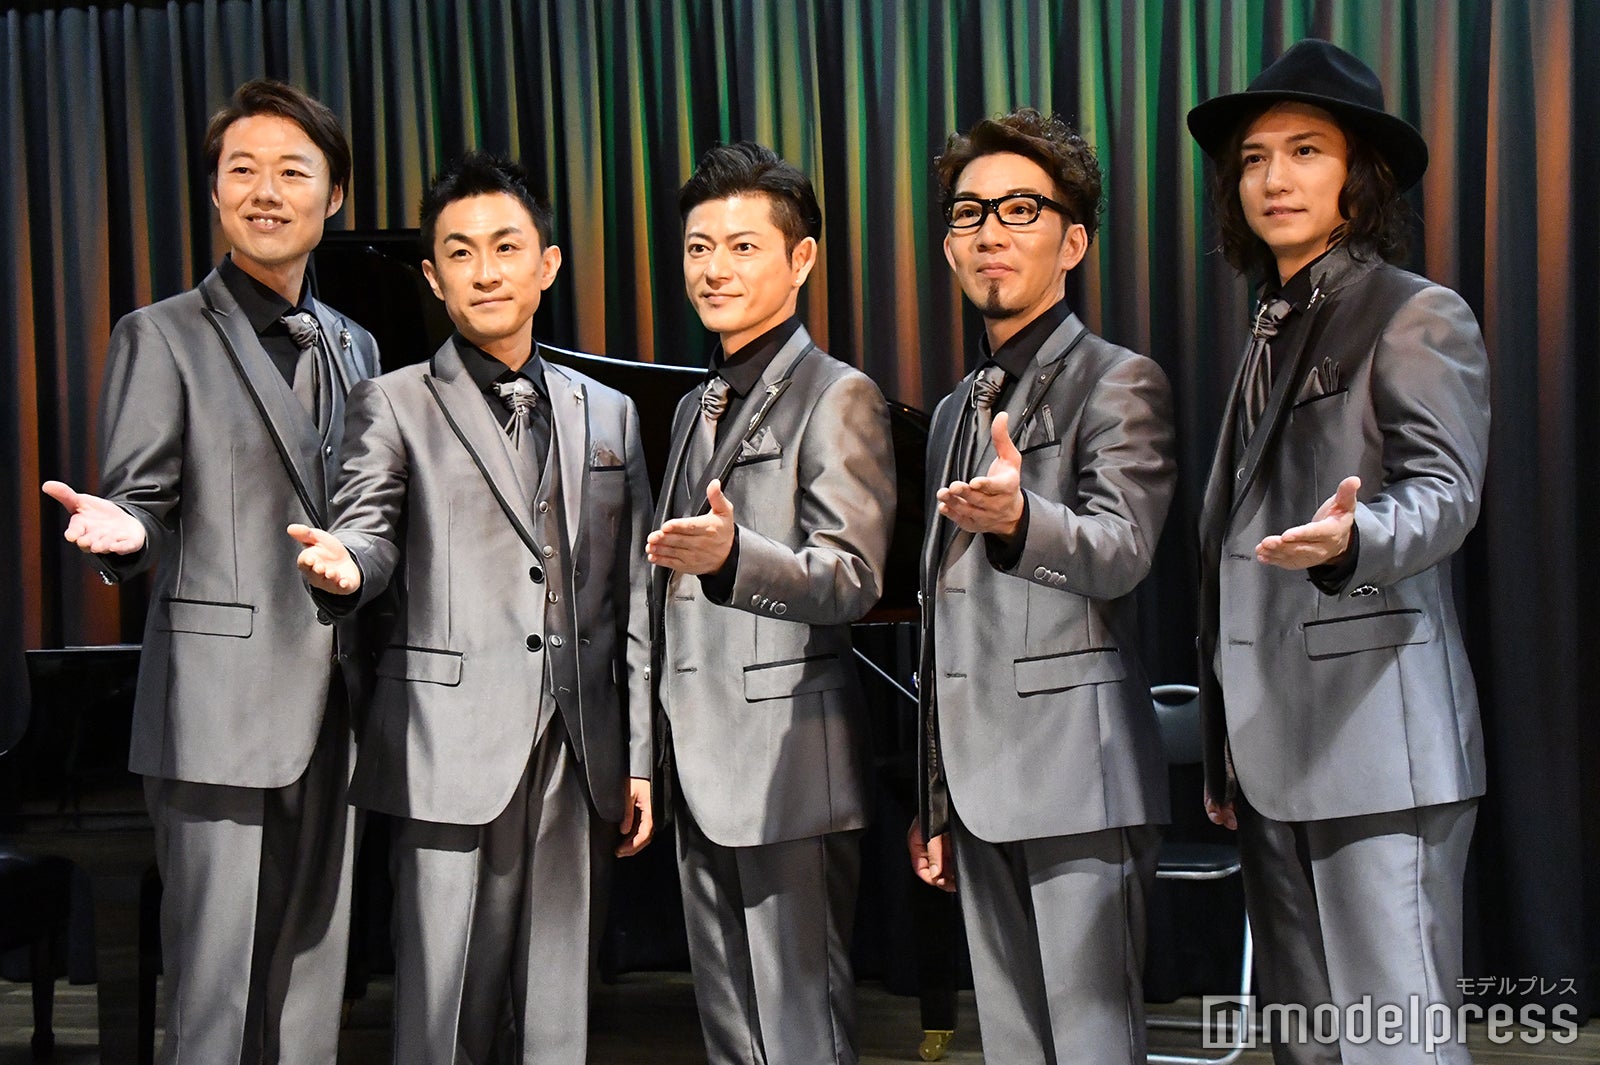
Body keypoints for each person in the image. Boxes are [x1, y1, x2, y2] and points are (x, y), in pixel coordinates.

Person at [290, 151, 654, 1064]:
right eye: (460, 252)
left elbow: (636, 601)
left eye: (506, 247)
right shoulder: (392, 402)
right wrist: (345, 567)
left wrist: (642, 756)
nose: (485, 270)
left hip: (578, 753)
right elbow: (368, 528)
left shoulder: (610, 414)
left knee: (560, 1017)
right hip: (443, 749)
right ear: (432, 275)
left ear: (548, 264)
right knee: (443, 1015)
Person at [41, 79, 379, 1064]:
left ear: (334, 194)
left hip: (337, 708)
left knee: (312, 980)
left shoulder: (357, 345)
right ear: (217, 191)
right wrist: (127, 532)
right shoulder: (161, 334)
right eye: (243, 170)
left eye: (292, 172)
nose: (266, 192)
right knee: (214, 987)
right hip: (215, 709)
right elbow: (140, 500)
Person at [1187, 39, 1490, 1063]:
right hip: (1273, 751)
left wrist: (1356, 537)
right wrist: (1225, 740)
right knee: (1310, 1044)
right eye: (1254, 157)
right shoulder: (1273, 324)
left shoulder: (1412, 309)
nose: (1273, 177)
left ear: (1360, 177)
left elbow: (1445, 493)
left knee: (1393, 1042)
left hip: (1376, 744)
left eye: (1305, 150)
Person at [908, 107, 1177, 1065]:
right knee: (1013, 1048)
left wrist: (1024, 520)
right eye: (969, 211)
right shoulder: (955, 409)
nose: (990, 230)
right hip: (978, 786)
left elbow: (1124, 550)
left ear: (1073, 242)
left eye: (1020, 208)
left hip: (1079, 778)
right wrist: (935, 795)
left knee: (1094, 1047)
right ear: (950, 246)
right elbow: (941, 622)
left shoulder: (1119, 380)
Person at [646, 141, 896, 1065]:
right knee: (731, 1034)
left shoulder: (839, 395)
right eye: (698, 247)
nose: (714, 268)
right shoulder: (694, 406)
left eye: (743, 246)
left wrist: (733, 558)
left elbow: (851, 578)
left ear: (801, 259)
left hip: (790, 767)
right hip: (698, 759)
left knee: (798, 1034)